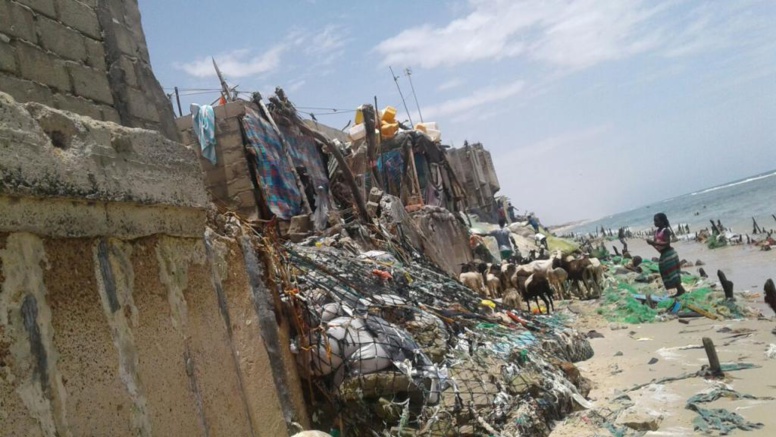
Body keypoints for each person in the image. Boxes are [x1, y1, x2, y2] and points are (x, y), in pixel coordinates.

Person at [647, 213, 685, 297]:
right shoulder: (656, 232)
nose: (655, 223)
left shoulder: (666, 231)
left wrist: (653, 242)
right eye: (654, 221)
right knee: (666, 273)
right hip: (663, 255)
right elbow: (658, 246)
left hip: (670, 254)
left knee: (673, 274)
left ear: (662, 221)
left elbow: (667, 243)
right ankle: (680, 290)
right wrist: (652, 244)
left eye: (656, 221)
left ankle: (681, 291)